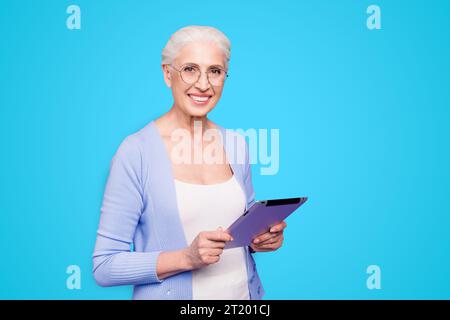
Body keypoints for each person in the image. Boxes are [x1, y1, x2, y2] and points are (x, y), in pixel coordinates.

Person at [92, 25, 287, 300]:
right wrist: (187, 257)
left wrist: (259, 240)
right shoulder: (136, 152)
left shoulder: (236, 145)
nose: (203, 84)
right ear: (167, 74)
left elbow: (238, 236)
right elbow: (104, 267)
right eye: (190, 69)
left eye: (215, 71)